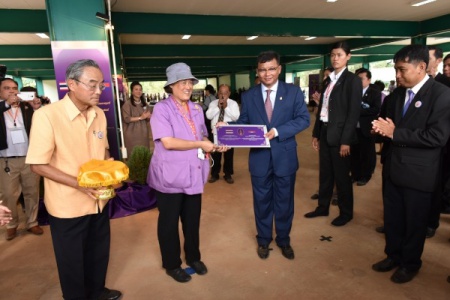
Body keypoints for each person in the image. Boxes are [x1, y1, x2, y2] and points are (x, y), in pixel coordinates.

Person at [26, 59, 121, 299]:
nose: (99, 91)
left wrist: (111, 171)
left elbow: (105, 152)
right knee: (72, 260)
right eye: (92, 85)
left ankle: (97, 290)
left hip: (99, 199)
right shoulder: (47, 115)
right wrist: (79, 184)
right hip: (68, 204)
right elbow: (38, 164)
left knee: (98, 252)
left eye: (101, 85)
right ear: (71, 84)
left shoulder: (99, 113)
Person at [371, 45, 450, 284]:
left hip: (419, 173)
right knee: (393, 219)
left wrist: (396, 134)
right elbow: (387, 125)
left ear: (422, 67)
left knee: (414, 222)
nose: (397, 75)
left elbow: (437, 137)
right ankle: (393, 256)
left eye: (402, 70)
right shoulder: (396, 95)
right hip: (393, 169)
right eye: (396, 69)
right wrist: (377, 131)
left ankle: (410, 263)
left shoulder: (441, 94)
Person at [147, 62, 227, 283]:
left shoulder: (196, 109)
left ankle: (193, 257)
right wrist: (200, 145)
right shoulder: (162, 109)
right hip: (169, 177)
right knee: (169, 222)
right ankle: (172, 264)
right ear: (171, 86)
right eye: (182, 82)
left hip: (192, 174)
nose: (187, 87)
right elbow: (168, 142)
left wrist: (213, 143)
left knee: (192, 220)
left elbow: (200, 135)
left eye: (190, 82)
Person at [229, 51, 310, 260]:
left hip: (285, 156)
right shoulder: (249, 96)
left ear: (279, 69)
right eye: (263, 70)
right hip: (259, 158)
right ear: (258, 71)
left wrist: (279, 131)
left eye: (272, 69)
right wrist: (226, 129)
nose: (267, 74)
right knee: (262, 201)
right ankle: (264, 240)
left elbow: (303, 119)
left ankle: (284, 239)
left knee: (284, 201)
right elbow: (245, 123)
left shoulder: (293, 92)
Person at [304, 42, 361, 227]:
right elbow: (323, 108)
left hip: (341, 136)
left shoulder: (352, 81)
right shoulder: (329, 79)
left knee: (342, 177)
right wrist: (316, 133)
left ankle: (346, 213)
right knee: (325, 174)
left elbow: (353, 113)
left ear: (348, 56)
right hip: (326, 131)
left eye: (339, 55)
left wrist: (346, 141)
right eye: (333, 55)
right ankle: (322, 207)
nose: (335, 58)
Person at [0, 78, 43, 241]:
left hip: (29, 157)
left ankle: (32, 222)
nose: (12, 91)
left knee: (31, 191)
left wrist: (37, 109)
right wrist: (6, 104)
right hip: (6, 160)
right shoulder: (1, 107)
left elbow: (40, 125)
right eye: (7, 88)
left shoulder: (26, 107)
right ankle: (11, 225)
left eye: (14, 88)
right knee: (8, 194)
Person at [351, 68, 381, 186]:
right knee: (354, 152)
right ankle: (355, 174)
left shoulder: (374, 92)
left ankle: (366, 175)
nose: (358, 81)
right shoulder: (352, 92)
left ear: (369, 80)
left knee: (367, 153)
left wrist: (357, 111)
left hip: (367, 128)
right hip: (353, 128)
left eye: (361, 79)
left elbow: (375, 109)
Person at [206, 84, 240, 184]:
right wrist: (217, 107)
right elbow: (208, 116)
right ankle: (214, 174)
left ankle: (228, 174)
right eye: (221, 92)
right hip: (215, 132)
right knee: (215, 154)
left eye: (225, 93)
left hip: (228, 133)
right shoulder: (213, 103)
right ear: (218, 93)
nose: (223, 95)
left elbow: (236, 117)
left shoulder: (233, 104)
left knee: (228, 154)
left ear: (229, 93)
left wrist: (226, 108)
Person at [121, 81, 151, 155]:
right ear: (132, 91)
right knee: (133, 155)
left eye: (140, 89)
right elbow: (126, 119)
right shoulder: (127, 104)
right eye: (136, 89)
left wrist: (148, 117)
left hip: (143, 133)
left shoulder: (144, 104)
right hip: (131, 134)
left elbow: (147, 118)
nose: (139, 91)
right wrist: (141, 117)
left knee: (144, 154)